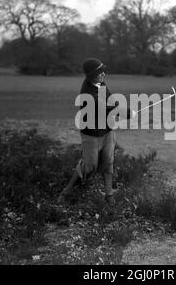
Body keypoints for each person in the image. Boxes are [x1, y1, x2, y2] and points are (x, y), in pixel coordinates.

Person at [58, 58, 136, 205]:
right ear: (91, 75)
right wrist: (125, 113)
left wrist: (121, 109)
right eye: (99, 72)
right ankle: (66, 191)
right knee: (89, 167)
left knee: (108, 160)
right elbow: (104, 108)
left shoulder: (101, 84)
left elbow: (110, 100)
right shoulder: (87, 92)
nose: (103, 74)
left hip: (107, 129)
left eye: (103, 71)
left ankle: (109, 194)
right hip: (91, 133)